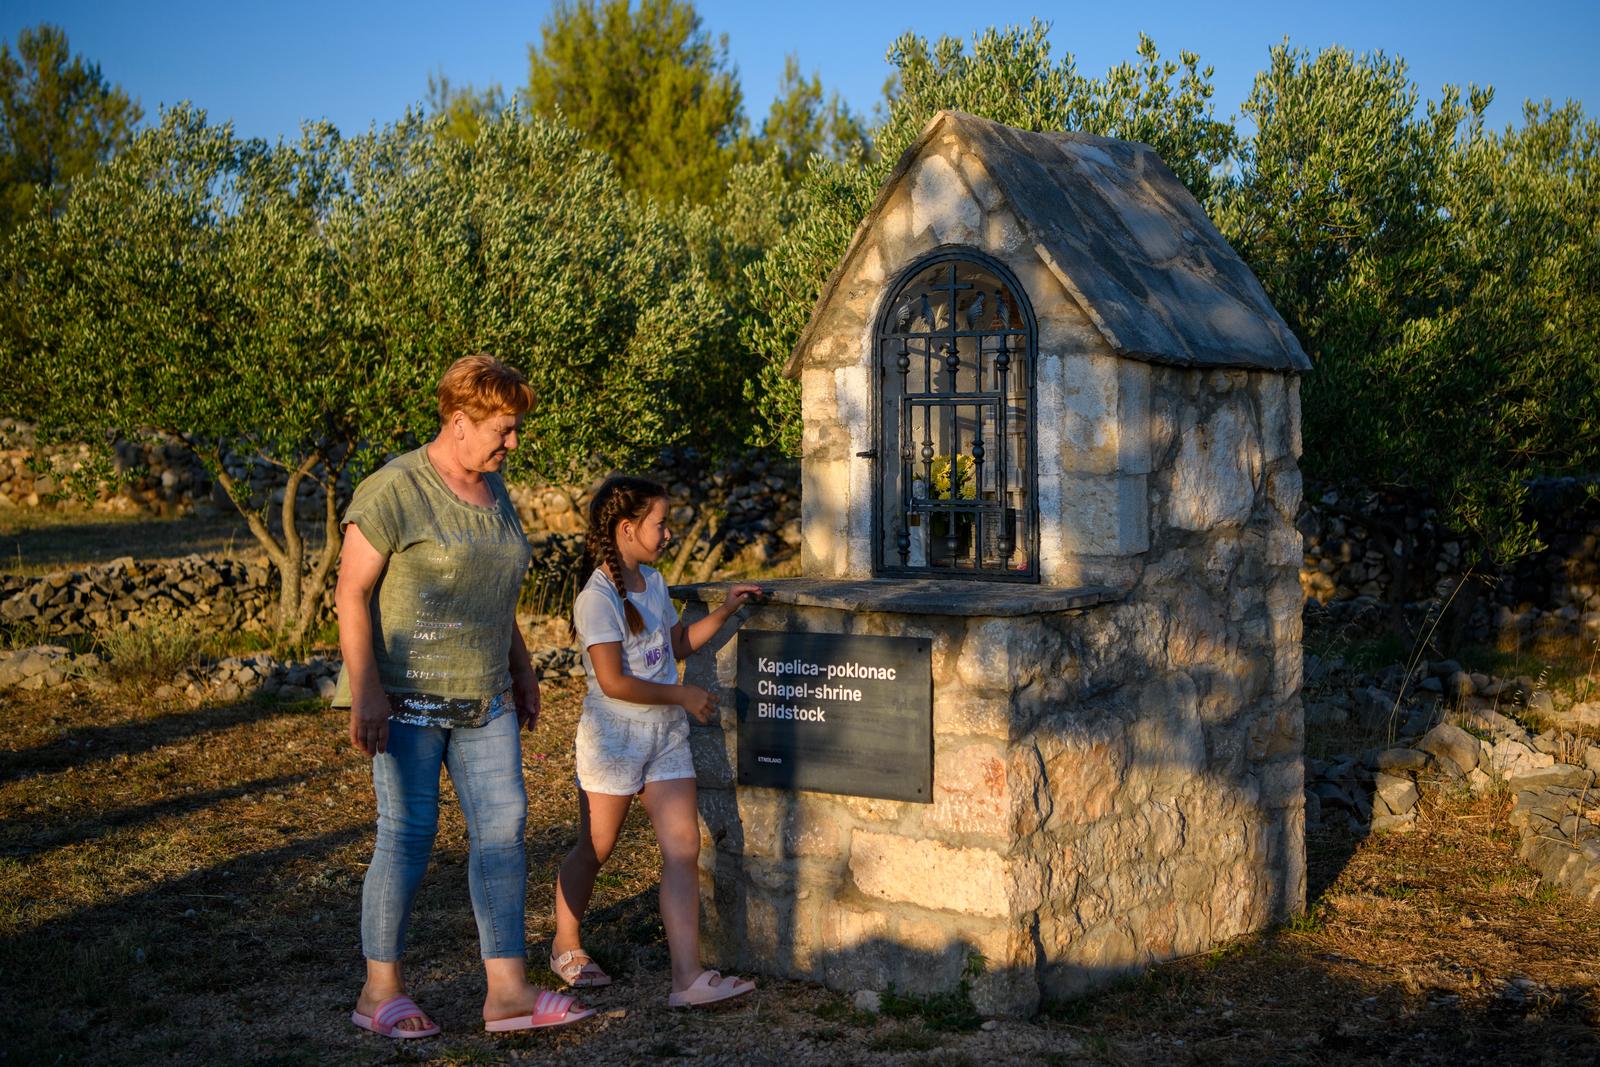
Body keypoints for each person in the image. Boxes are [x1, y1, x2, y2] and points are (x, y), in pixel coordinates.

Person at [336, 355, 592, 1038]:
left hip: (486, 699)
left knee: (504, 834)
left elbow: (491, 590)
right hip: (407, 700)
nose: (513, 443)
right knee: (408, 838)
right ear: (459, 421)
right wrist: (365, 692)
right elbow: (351, 592)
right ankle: (377, 992)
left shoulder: (494, 489)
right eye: (504, 430)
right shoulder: (394, 489)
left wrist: (521, 664)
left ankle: (507, 993)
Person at [552, 475, 762, 1007]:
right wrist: (684, 696)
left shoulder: (655, 581)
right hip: (615, 740)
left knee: (683, 849)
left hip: (664, 738)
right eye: (660, 523)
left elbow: (669, 644)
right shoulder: (596, 598)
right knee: (597, 847)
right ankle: (565, 944)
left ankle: (686, 979)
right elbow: (614, 681)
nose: (668, 533)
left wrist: (726, 610)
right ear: (627, 528)